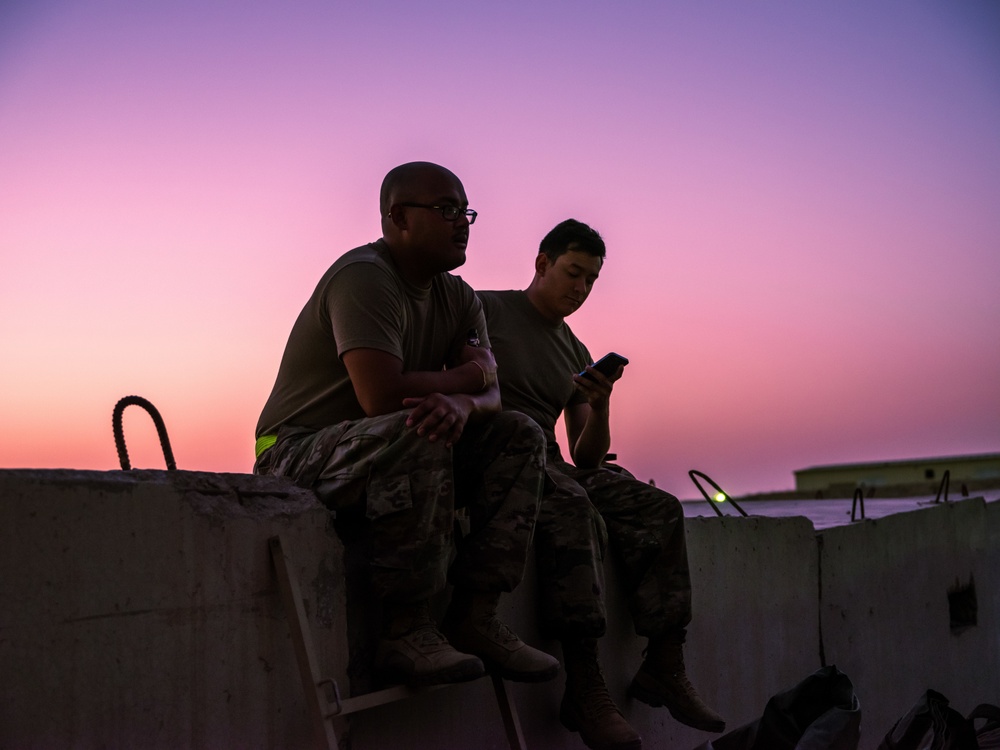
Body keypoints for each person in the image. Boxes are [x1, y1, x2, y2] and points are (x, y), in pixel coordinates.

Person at [254, 161, 558, 689]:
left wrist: (465, 403)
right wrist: (465, 376)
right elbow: (381, 396)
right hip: (296, 450)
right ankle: (406, 631)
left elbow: (493, 394)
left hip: (386, 448)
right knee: (417, 424)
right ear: (398, 217)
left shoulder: (458, 297)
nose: (461, 221)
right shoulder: (366, 277)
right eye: (445, 209)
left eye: (465, 210)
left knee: (519, 434)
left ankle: (475, 616)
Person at [479, 219, 726, 750]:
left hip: (551, 463)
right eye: (572, 273)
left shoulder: (573, 347)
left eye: (591, 280)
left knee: (657, 507)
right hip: (494, 457)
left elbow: (585, 455)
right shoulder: (485, 310)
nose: (580, 288)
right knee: (572, 507)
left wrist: (601, 402)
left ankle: (664, 661)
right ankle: (585, 684)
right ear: (542, 263)